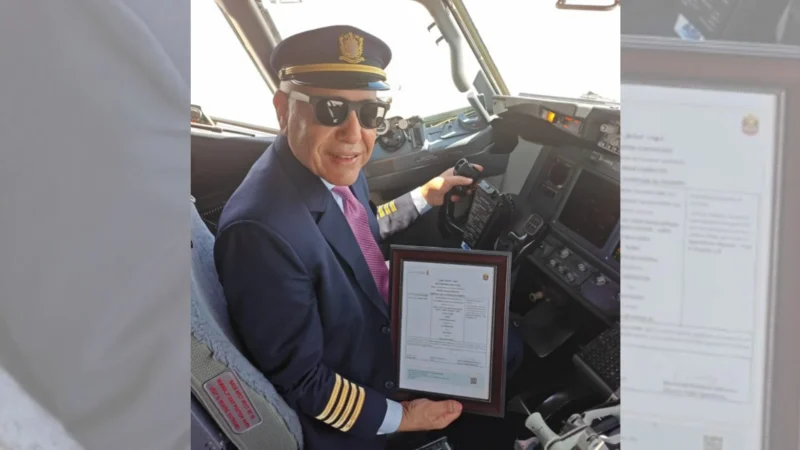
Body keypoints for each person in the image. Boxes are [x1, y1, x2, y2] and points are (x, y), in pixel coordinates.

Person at [214, 25, 523, 450]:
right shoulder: (260, 233)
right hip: (363, 389)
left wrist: (424, 196)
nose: (353, 133)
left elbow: (357, 226)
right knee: (505, 350)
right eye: (330, 109)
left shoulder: (326, 167)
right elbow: (303, 381)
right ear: (283, 110)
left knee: (498, 334)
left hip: (371, 326)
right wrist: (405, 417)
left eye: (370, 113)